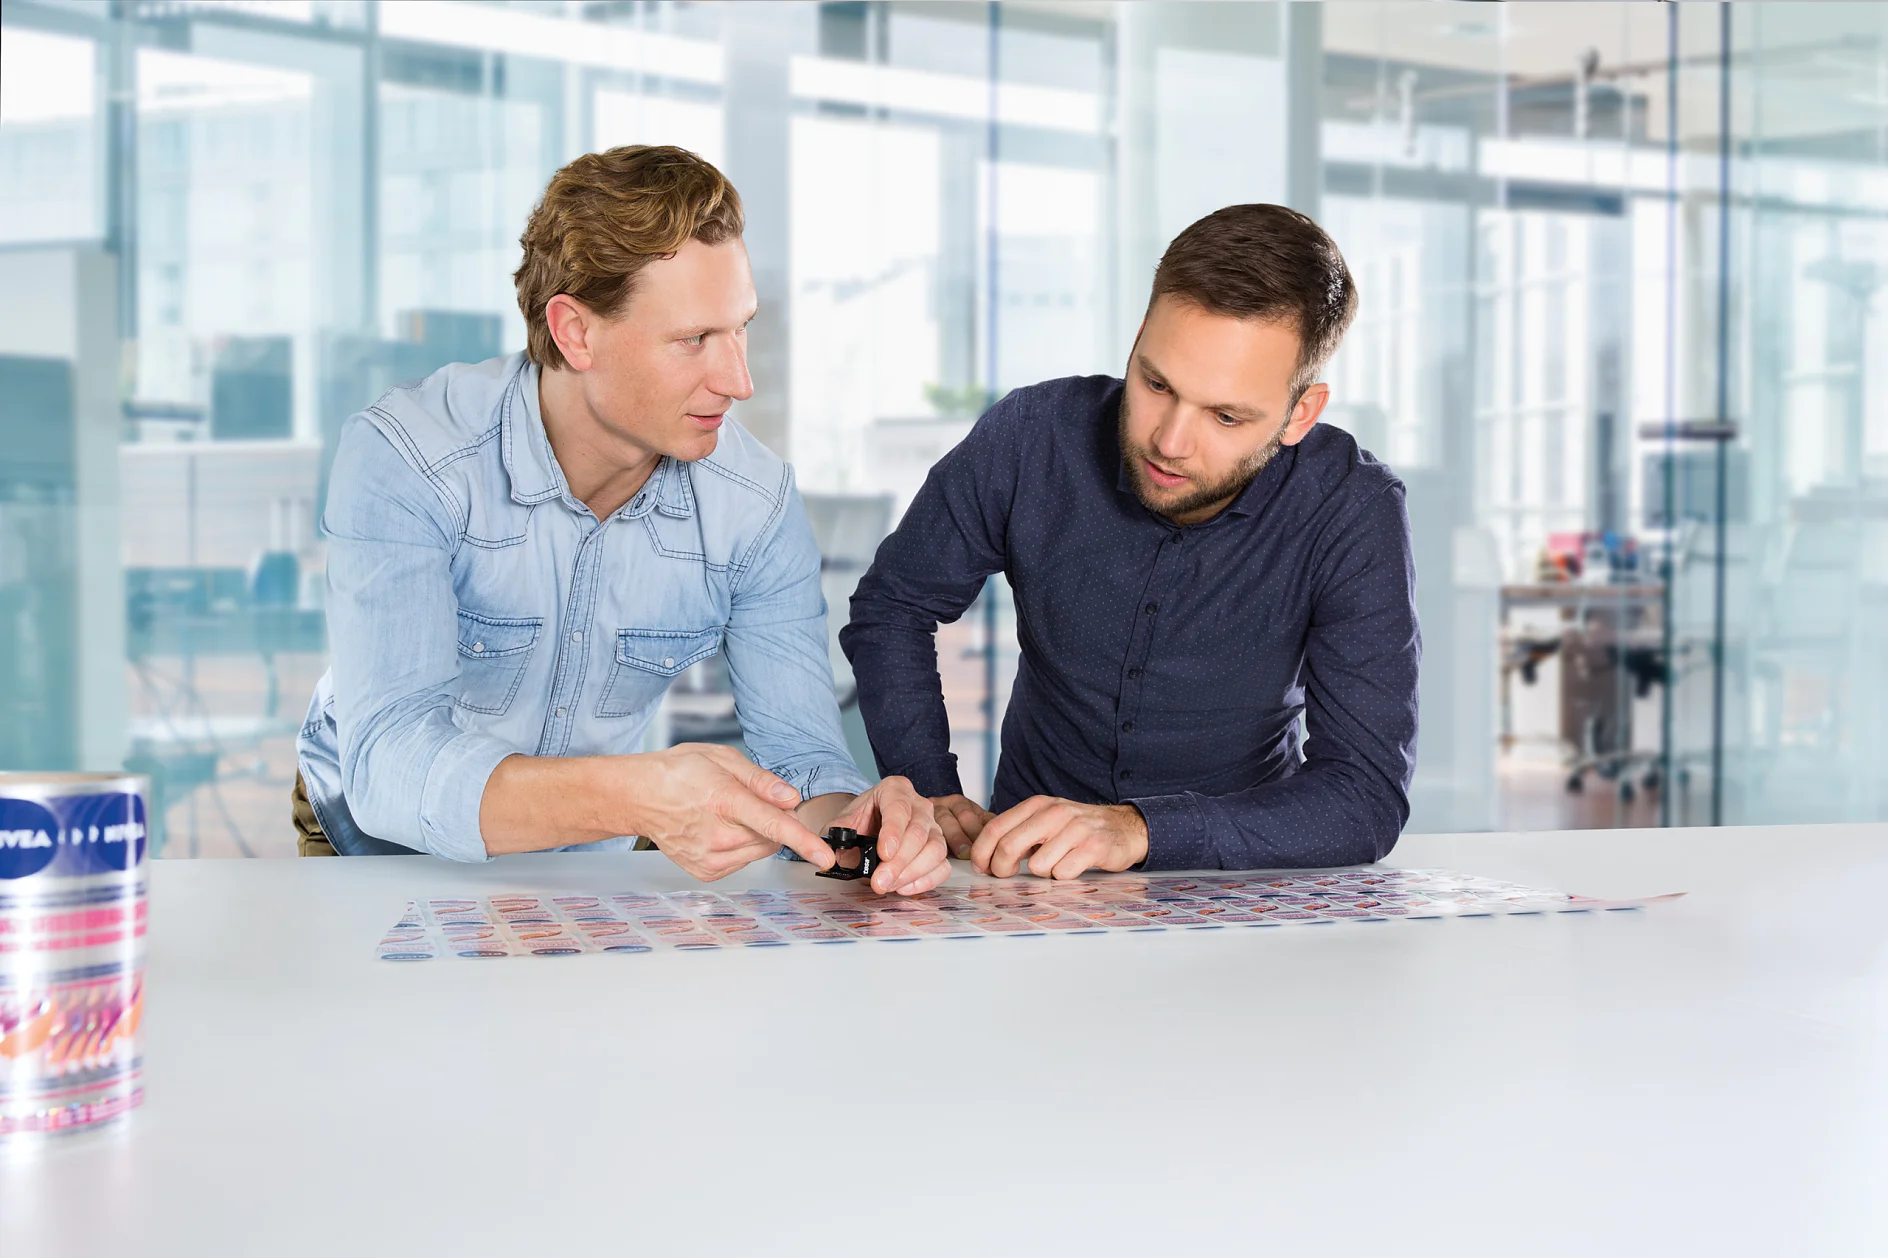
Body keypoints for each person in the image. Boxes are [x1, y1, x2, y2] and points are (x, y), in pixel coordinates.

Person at [294, 145, 946, 897]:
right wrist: (643, 794)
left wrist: (860, 823)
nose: (739, 380)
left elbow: (801, 765)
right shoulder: (408, 457)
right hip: (368, 838)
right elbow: (389, 767)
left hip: (593, 851)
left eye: (741, 330)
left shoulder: (756, 503)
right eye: (694, 340)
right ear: (575, 332)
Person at [841, 204, 1418, 879]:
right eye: (1155, 383)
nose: (1169, 442)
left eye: (1226, 416)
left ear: (1300, 414)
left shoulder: (1352, 509)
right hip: (1021, 876)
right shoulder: (1033, 438)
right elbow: (894, 607)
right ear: (1139, 335)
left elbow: (1365, 797)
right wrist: (927, 788)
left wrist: (1142, 830)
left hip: (1241, 882)